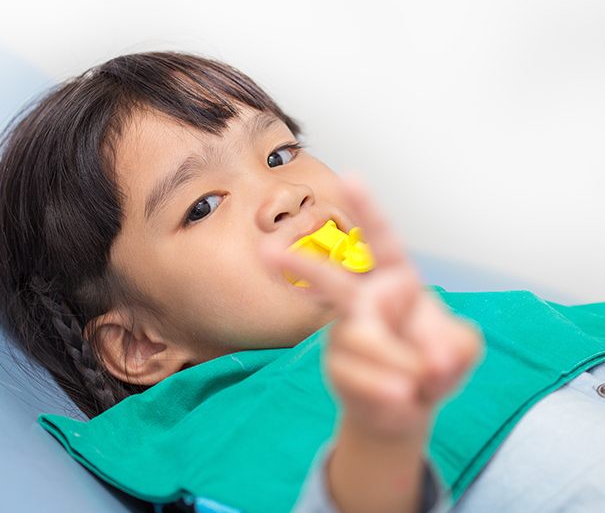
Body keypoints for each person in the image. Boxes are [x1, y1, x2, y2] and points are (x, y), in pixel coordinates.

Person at [0, 51, 481, 513]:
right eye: (203, 206)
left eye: (279, 154)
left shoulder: (451, 316)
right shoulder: (237, 436)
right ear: (138, 344)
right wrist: (380, 446)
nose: (287, 195)